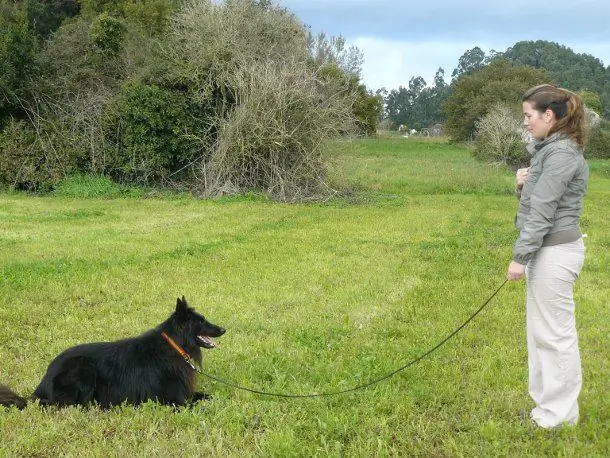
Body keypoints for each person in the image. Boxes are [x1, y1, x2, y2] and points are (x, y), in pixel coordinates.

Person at [507, 84, 588, 429]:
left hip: (555, 252)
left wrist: (520, 258)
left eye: (528, 115)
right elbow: (535, 201)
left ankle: (559, 417)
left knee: (555, 336)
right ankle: (545, 409)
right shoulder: (548, 152)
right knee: (540, 334)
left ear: (549, 115)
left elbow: (543, 212)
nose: (525, 122)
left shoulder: (560, 155)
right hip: (547, 250)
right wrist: (522, 184)